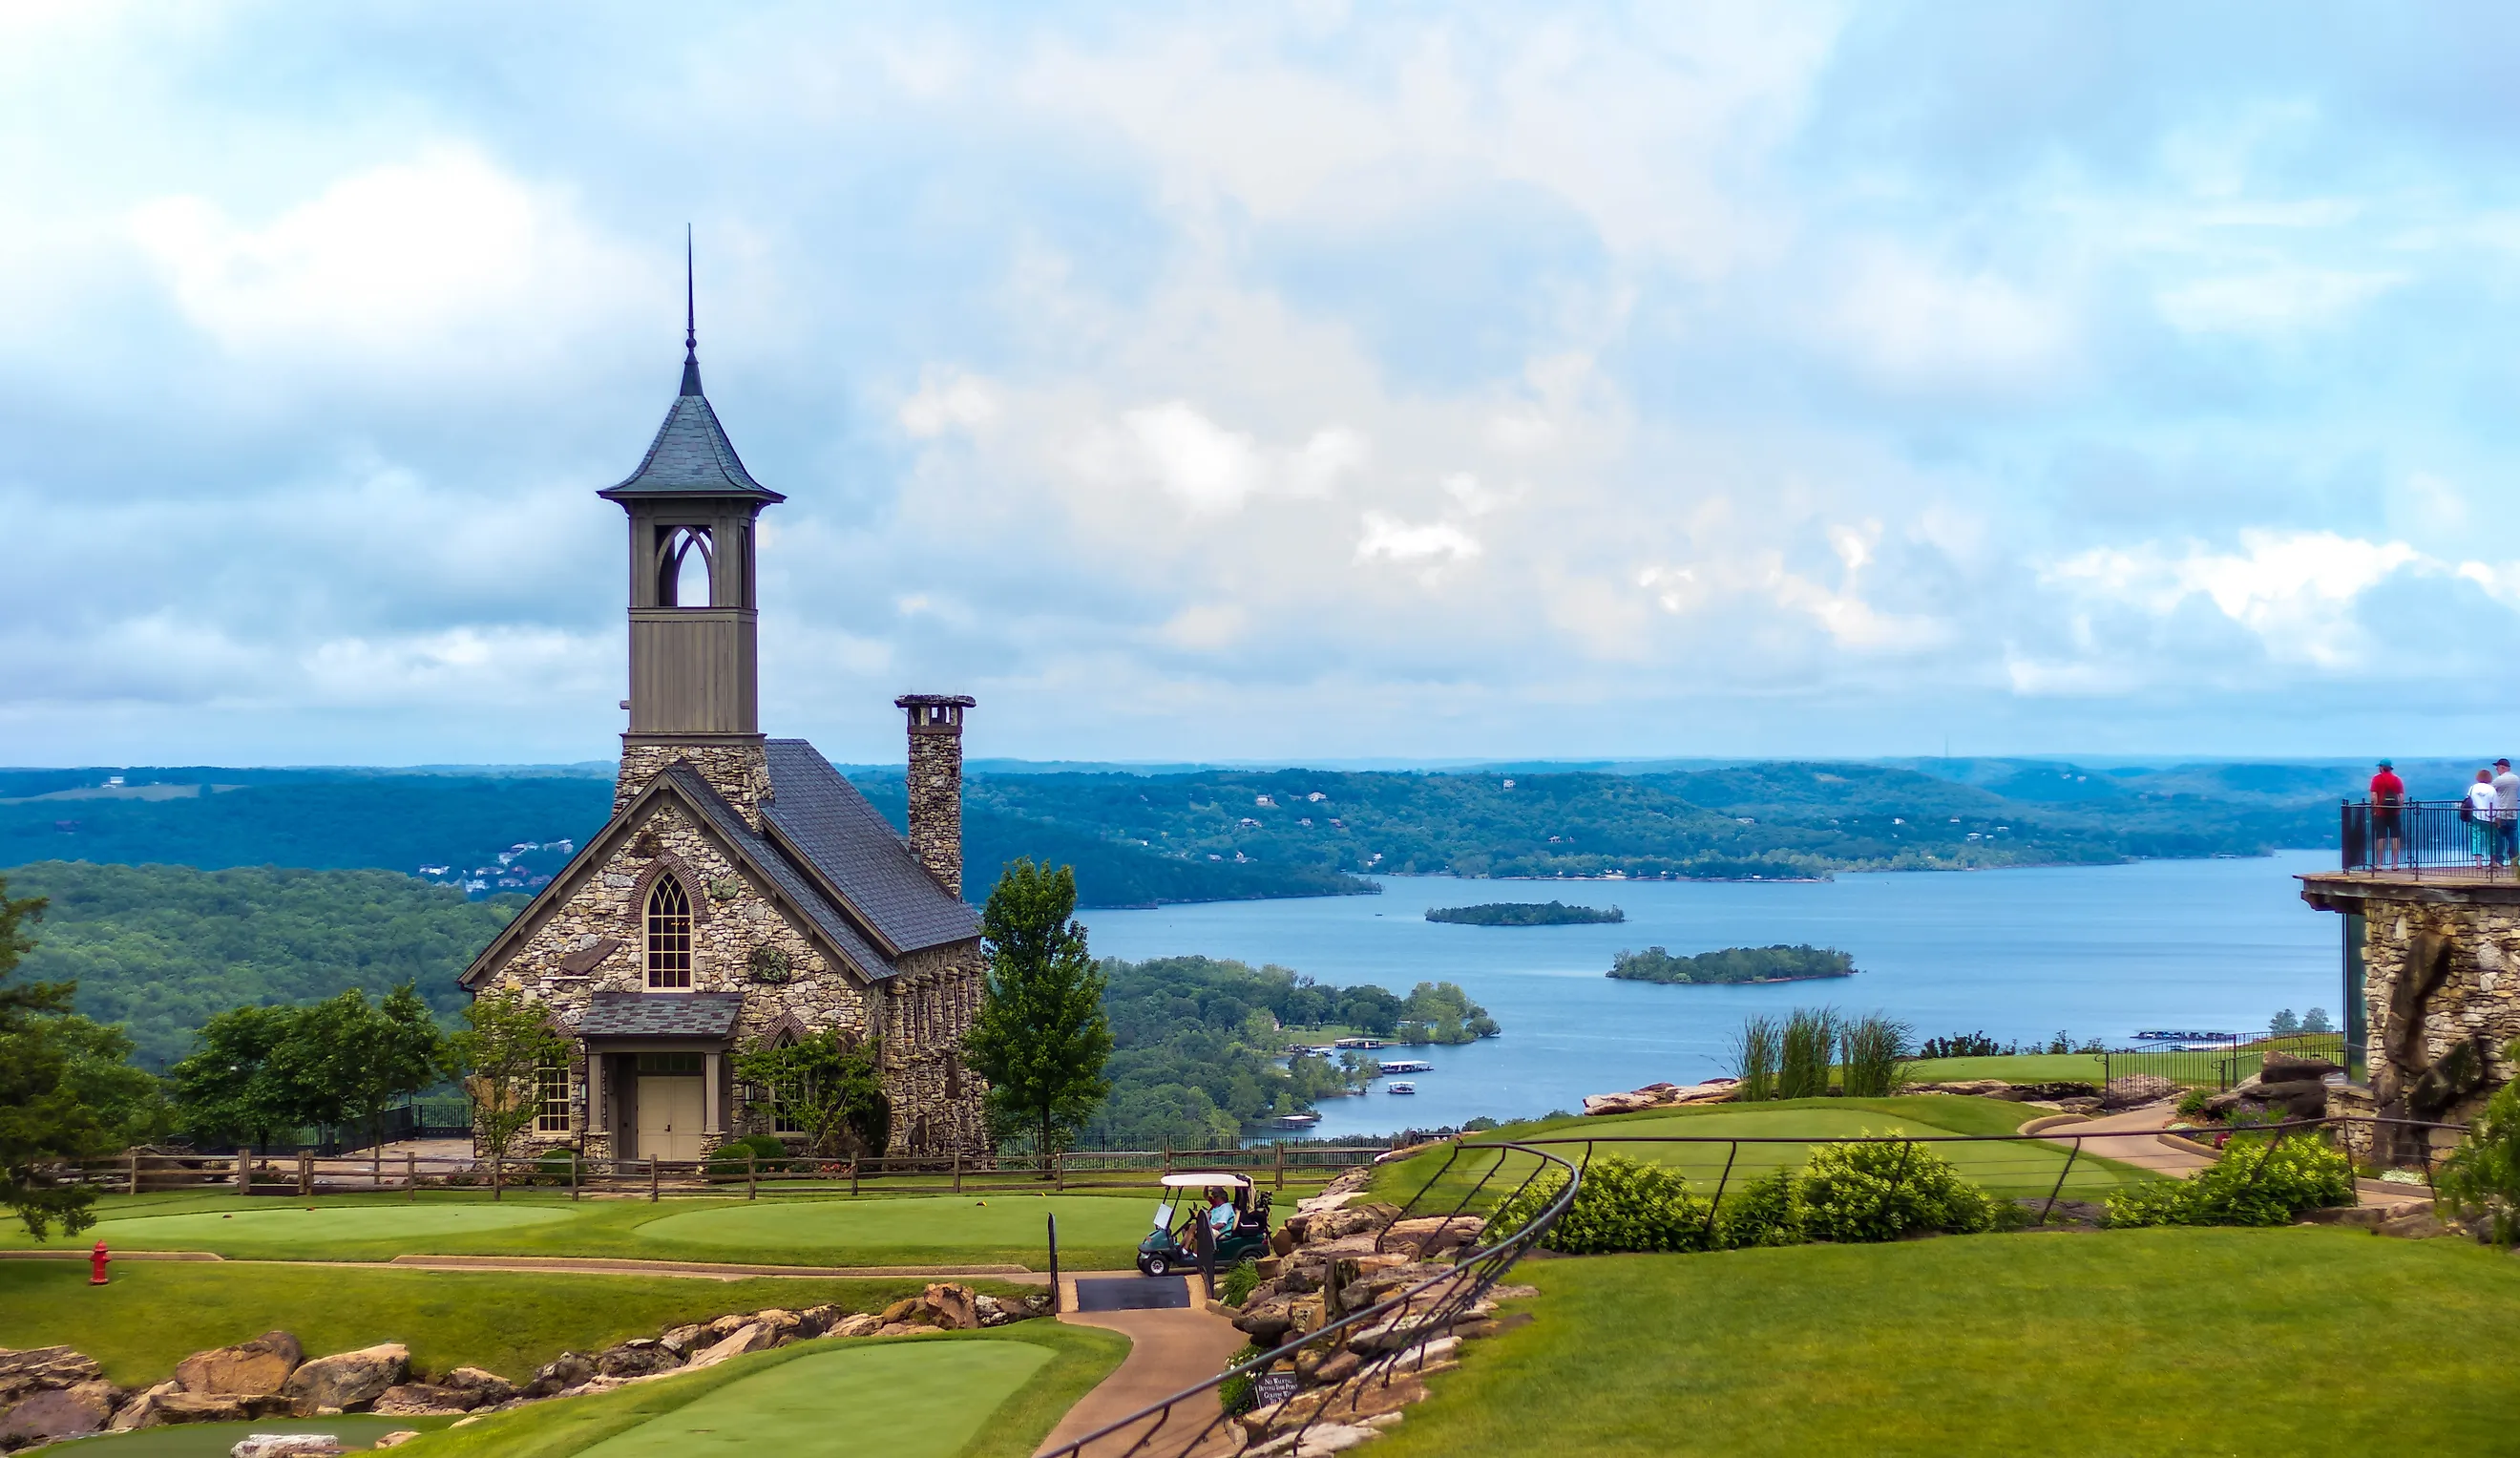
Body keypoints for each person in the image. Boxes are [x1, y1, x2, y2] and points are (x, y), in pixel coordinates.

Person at [2369, 758, 2405, 869]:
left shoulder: (2376, 779)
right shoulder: (2397, 780)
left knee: (2381, 837)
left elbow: (2374, 796)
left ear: (2381, 767)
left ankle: (2379, 864)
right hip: (2394, 812)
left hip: (2380, 812)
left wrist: (2375, 809)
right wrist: (2398, 808)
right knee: (2395, 837)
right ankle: (2395, 864)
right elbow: (2401, 797)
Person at [2467, 770, 2499, 866]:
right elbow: (2496, 803)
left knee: (2476, 837)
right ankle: (2492, 860)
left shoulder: (2473, 788)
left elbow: (2468, 800)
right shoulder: (2491, 789)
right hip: (2490, 816)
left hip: (2476, 815)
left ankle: (2478, 862)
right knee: (2491, 839)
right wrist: (2497, 817)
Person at [2494, 759, 2519, 865]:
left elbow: (2489, 790)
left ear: (2503, 768)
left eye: (2497, 768)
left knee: (2499, 839)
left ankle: (2499, 861)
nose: (2497, 771)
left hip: (2501, 813)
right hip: (2513, 813)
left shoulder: (2500, 780)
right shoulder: (2516, 779)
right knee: (2513, 839)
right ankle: (2514, 861)